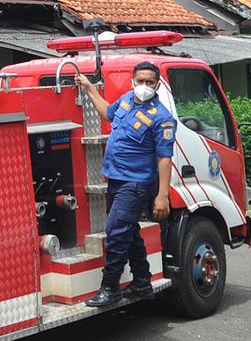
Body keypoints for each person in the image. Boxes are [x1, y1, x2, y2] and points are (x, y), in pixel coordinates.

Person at [75, 62, 177, 307]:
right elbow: (107, 112)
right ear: (133, 81)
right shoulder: (127, 100)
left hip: (137, 183)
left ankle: (110, 288)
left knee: (116, 232)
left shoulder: (162, 118)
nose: (144, 86)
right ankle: (142, 281)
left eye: (149, 82)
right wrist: (89, 88)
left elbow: (164, 159)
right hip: (116, 179)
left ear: (158, 84)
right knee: (127, 230)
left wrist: (162, 196)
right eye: (140, 81)